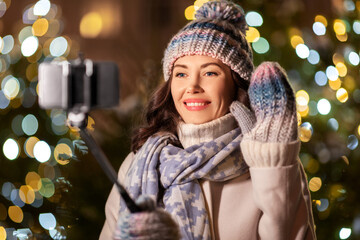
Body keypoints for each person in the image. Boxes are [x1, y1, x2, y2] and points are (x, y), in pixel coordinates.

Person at [99, 0, 316, 239]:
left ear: (236, 84)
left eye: (210, 72)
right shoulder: (139, 164)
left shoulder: (271, 166)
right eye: (181, 73)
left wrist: (273, 160)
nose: (192, 86)